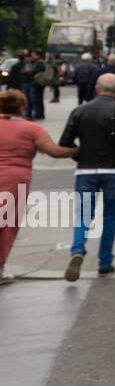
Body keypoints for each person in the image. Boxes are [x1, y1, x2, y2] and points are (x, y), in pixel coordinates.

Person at [0, 90, 79, 285]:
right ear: (22, 107)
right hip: (15, 177)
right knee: (7, 224)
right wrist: (80, 150)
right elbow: (55, 151)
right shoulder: (31, 129)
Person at [59, 74, 115, 280]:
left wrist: (80, 154)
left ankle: (77, 249)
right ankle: (105, 262)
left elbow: (66, 142)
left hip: (86, 170)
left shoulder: (79, 111)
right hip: (114, 170)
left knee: (83, 215)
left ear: (97, 89)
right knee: (110, 217)